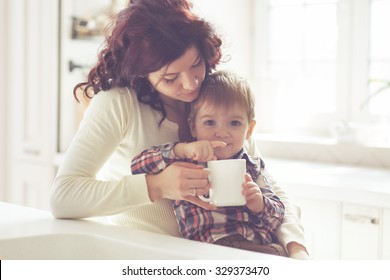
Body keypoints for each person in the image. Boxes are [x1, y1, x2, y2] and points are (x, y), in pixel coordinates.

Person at [50, 0, 308, 259]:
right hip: (149, 260)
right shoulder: (119, 104)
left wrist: (296, 248)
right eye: (171, 78)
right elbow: (64, 196)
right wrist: (156, 186)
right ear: (141, 73)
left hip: (226, 258)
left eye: (196, 64)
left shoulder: (215, 96)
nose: (191, 83)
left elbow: (269, 186)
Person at [131, 70, 287, 256]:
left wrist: (260, 204)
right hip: (207, 249)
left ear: (249, 130)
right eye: (210, 122)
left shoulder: (253, 166)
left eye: (235, 123)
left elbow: (278, 216)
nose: (222, 133)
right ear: (192, 126)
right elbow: (138, 166)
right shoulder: (186, 158)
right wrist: (181, 149)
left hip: (256, 247)